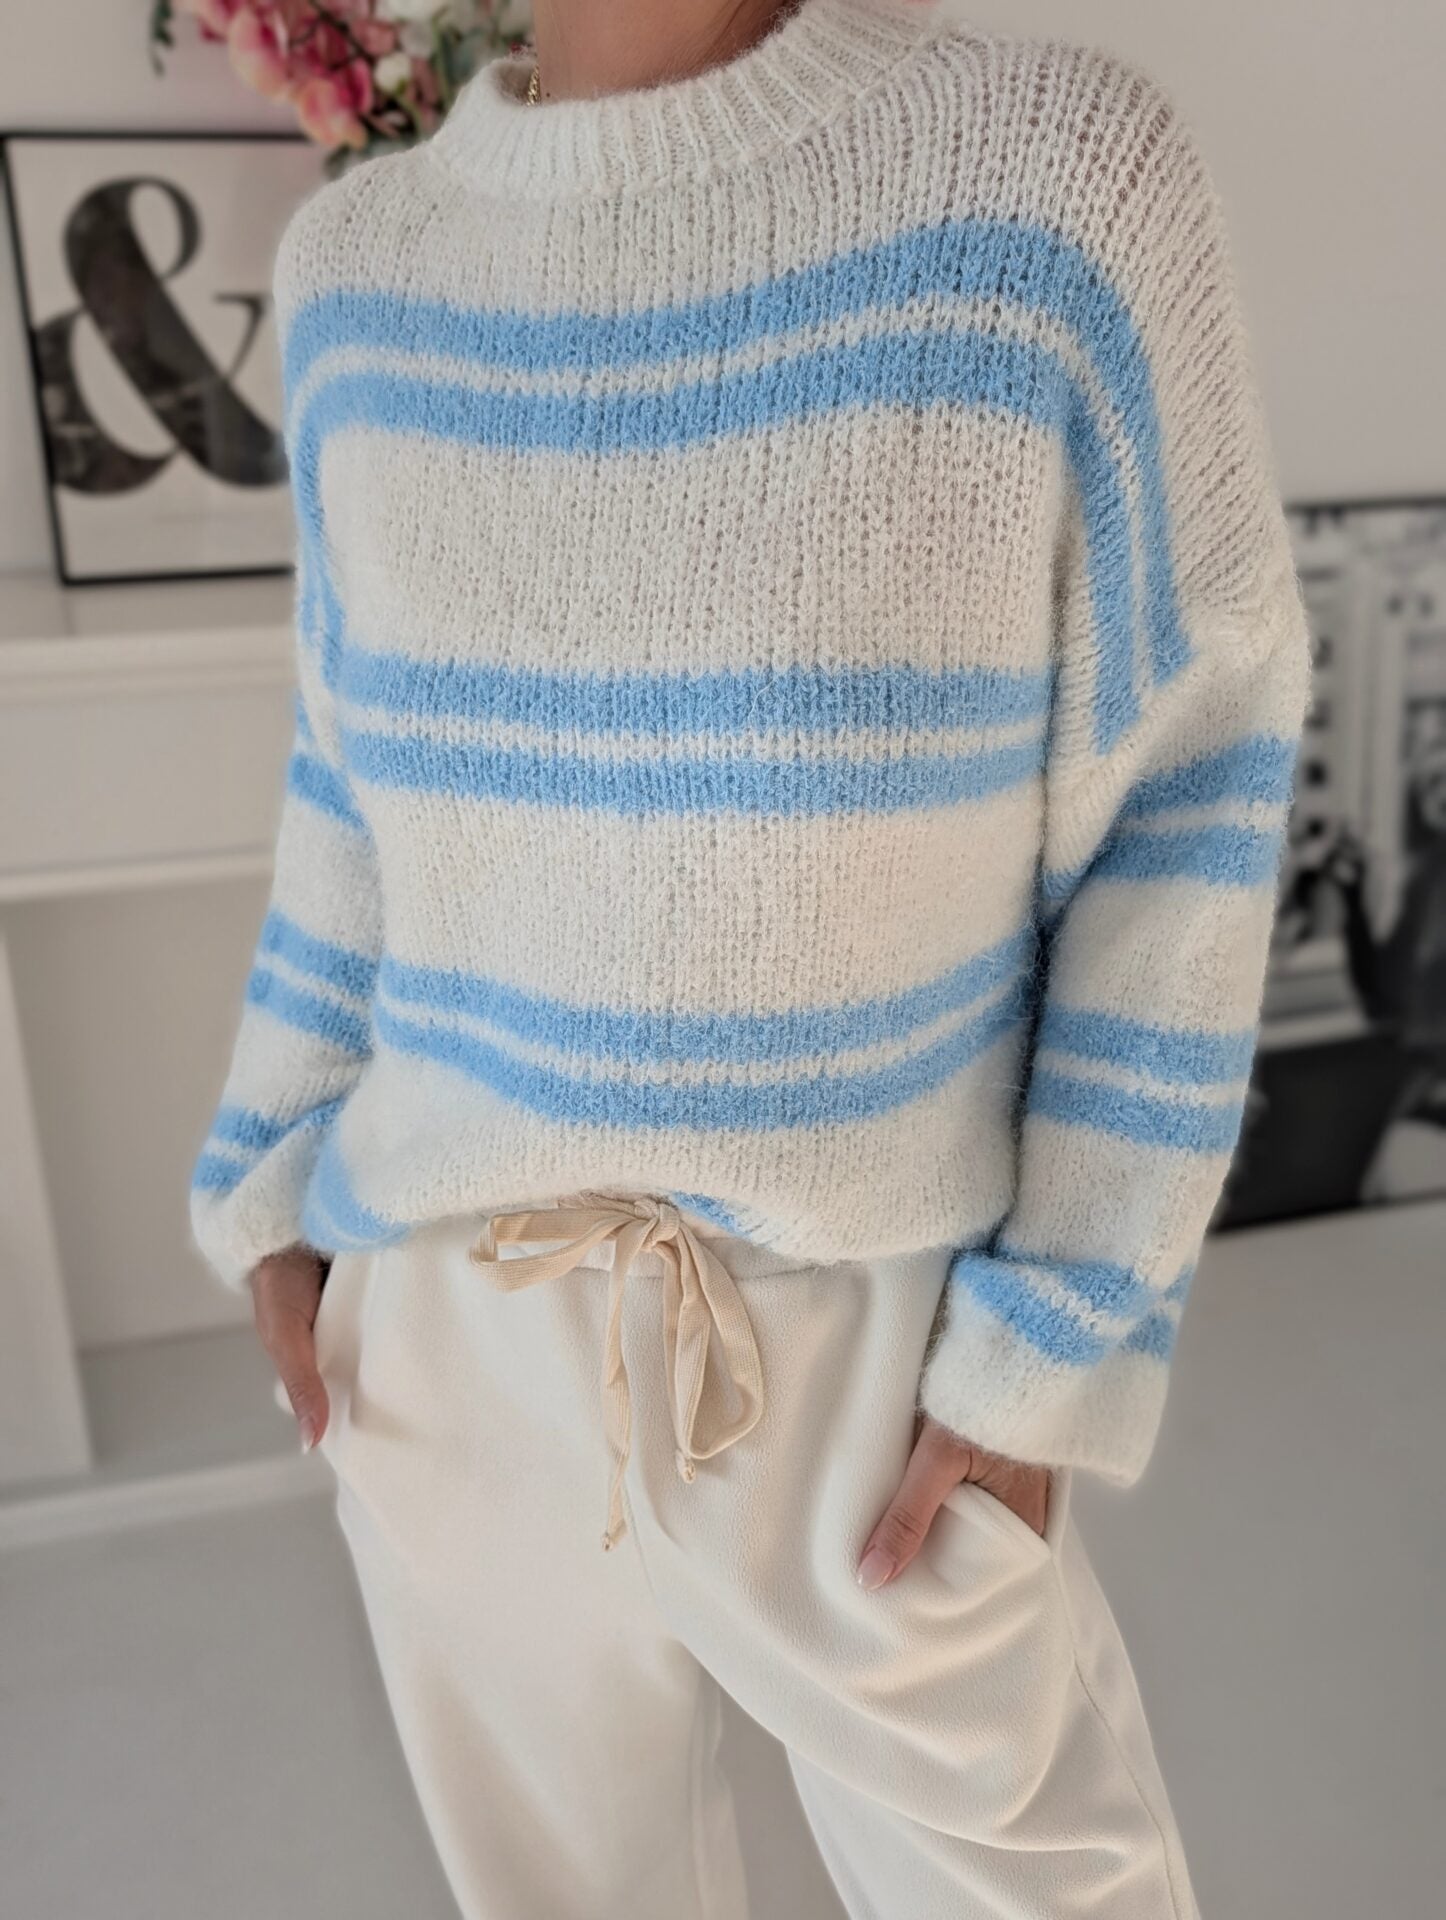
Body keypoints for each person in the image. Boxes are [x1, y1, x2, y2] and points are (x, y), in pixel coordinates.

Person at [189, 2, 1311, 1913]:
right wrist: (269, 1167)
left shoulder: (1045, 183)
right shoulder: (357, 269)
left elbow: (1184, 785)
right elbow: (353, 779)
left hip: (858, 1344)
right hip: (447, 1323)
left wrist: (1056, 1331)